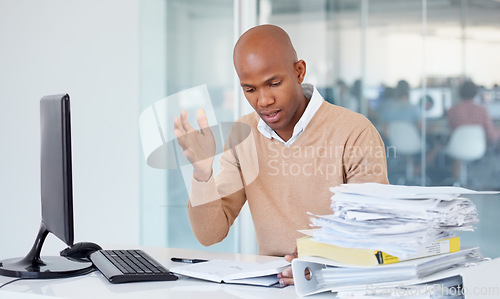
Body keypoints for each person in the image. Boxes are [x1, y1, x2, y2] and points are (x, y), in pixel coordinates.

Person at [174, 24, 388, 286]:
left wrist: (317, 255)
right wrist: (202, 173)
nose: (263, 101)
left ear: (299, 72)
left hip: (339, 282)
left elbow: (372, 230)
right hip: (271, 286)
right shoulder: (244, 135)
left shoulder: (354, 131)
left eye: (273, 83)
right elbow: (209, 234)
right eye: (250, 89)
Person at [446, 80, 500, 178]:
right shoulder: (482, 110)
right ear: (476, 93)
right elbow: (492, 135)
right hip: (477, 149)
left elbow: (451, 131)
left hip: (457, 148)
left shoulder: (452, 110)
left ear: (460, 93)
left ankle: (458, 180)